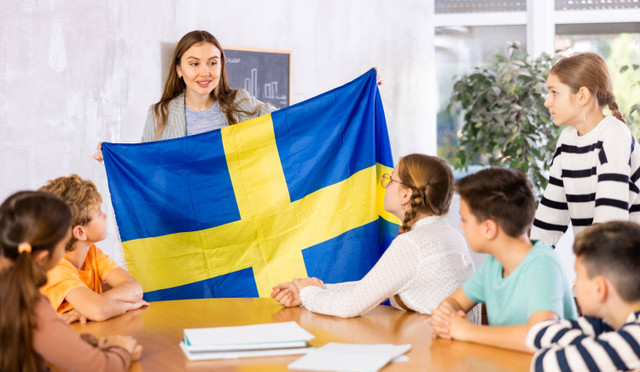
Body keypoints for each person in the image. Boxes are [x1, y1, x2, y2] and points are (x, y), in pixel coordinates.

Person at [271, 154, 480, 321]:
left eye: (390, 179)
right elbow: (372, 287)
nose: (385, 185)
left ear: (405, 194)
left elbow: (349, 307)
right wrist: (314, 290)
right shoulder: (449, 235)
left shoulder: (413, 243)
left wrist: (308, 293)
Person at [430, 168, 577, 352]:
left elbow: (540, 336)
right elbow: (454, 302)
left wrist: (468, 331)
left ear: (488, 229)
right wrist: (448, 317)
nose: (461, 225)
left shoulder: (543, 265)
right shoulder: (494, 264)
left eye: (464, 219)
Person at [0, 191, 142, 372]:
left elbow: (46, 340)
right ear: (43, 257)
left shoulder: (12, 291)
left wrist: (87, 343)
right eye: (63, 242)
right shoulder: (30, 306)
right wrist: (122, 349)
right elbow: (101, 367)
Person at [530, 52, 640, 247]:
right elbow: (549, 219)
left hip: (626, 264)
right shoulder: (567, 141)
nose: (547, 102)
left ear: (582, 95)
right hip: (603, 259)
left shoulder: (613, 135)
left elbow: (609, 228)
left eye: (554, 92)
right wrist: (527, 260)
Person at [527, 221, 640, 372]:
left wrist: (592, 348)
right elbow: (538, 332)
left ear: (600, 289)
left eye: (578, 275)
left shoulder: (634, 337)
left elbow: (544, 363)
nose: (574, 282)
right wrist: (594, 346)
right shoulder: (608, 324)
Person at [39, 175, 147, 323]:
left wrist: (89, 306)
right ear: (80, 232)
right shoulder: (55, 267)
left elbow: (134, 289)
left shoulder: (91, 253)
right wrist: (127, 306)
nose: (105, 216)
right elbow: (98, 311)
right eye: (98, 213)